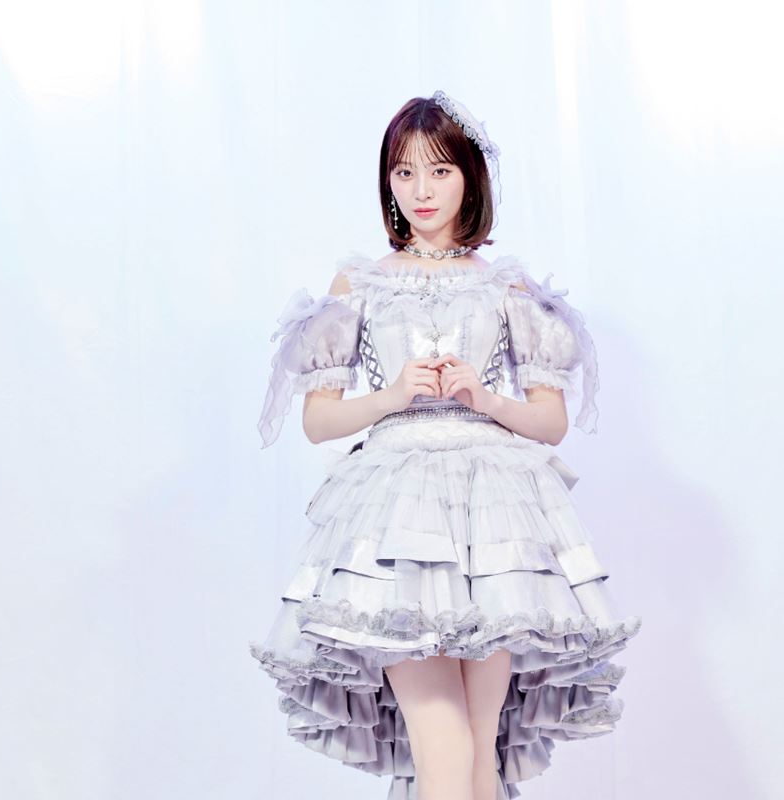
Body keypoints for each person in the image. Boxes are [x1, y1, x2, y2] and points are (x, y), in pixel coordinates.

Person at [249, 90, 641, 800]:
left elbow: (550, 422)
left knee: (481, 747)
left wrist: (485, 399)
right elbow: (320, 421)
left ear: (469, 177)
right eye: (403, 173)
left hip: (496, 522)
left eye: (439, 171)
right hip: (398, 516)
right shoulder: (360, 282)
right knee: (445, 741)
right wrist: (395, 395)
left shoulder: (507, 285)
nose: (421, 191)